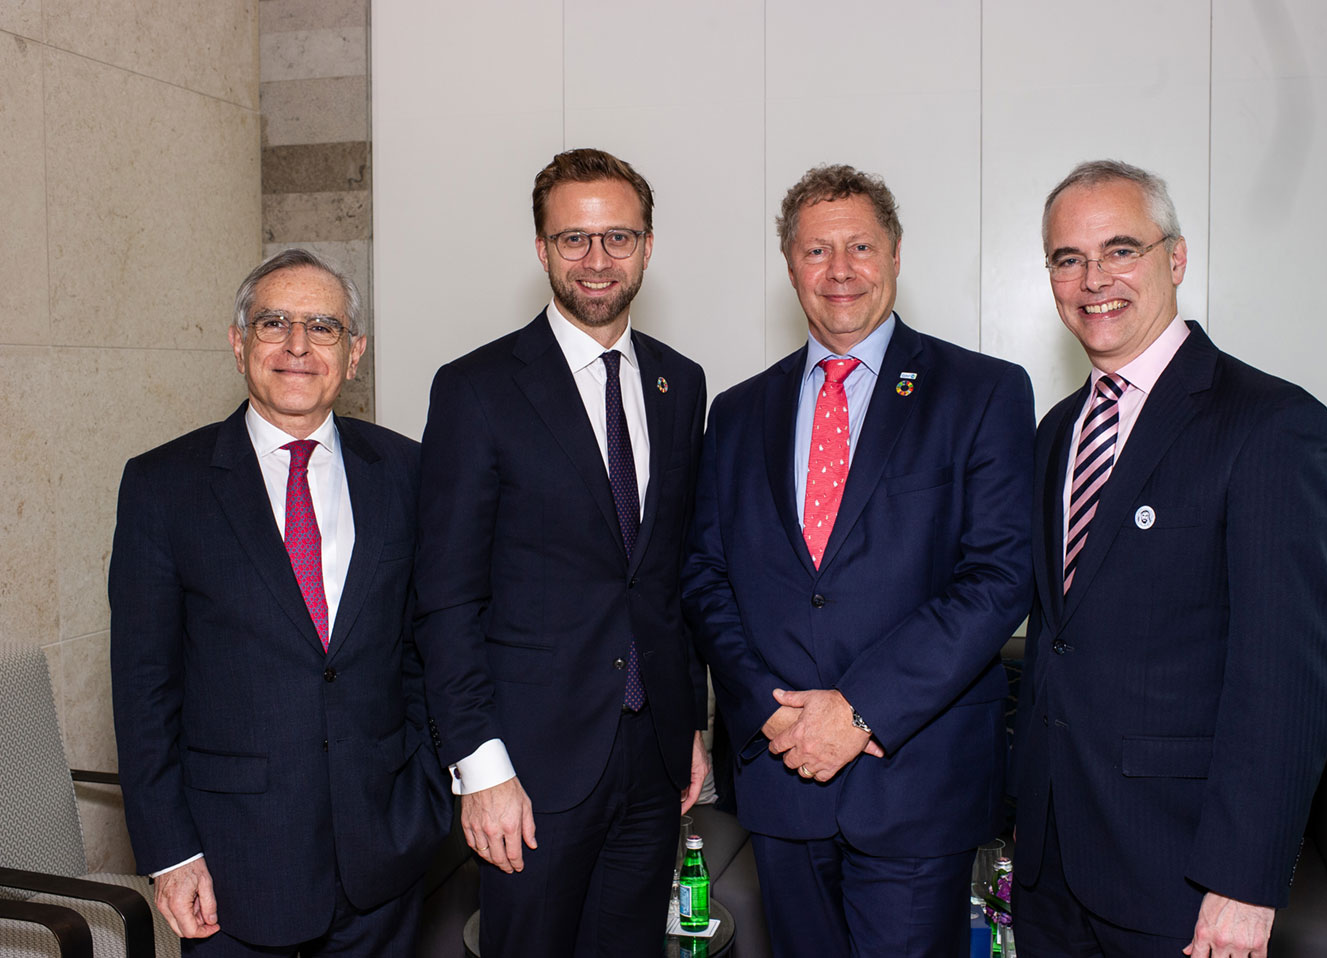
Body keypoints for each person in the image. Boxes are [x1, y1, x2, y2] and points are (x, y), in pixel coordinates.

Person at [681, 164, 1035, 957]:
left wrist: (861, 708)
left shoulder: (981, 392)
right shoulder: (738, 413)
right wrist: (766, 707)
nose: (839, 270)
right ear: (789, 266)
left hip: (914, 776)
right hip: (780, 774)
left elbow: (999, 575)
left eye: (860, 247)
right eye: (815, 251)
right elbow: (705, 576)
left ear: (897, 254)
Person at [1010, 159, 1327, 958]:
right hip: (1051, 866)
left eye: (1120, 249)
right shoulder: (1057, 429)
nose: (1094, 279)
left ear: (1176, 259)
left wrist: (1245, 881)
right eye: (1068, 258)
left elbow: (1289, 675)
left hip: (1184, 879)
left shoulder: (1270, 425)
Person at [109, 249, 451, 955]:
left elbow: (430, 644)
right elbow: (144, 691)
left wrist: (422, 798)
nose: (298, 346)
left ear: (352, 354)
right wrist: (171, 854)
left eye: (323, 327)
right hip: (232, 874)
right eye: (275, 323)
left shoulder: (409, 473)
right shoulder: (162, 486)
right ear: (239, 344)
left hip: (384, 861)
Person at [413, 148, 709, 957]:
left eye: (618, 237)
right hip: (530, 767)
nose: (597, 259)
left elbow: (668, 576)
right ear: (541, 250)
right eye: (573, 239)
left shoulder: (680, 386)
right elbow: (445, 598)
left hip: (651, 756)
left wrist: (689, 721)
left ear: (648, 247)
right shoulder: (476, 389)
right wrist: (479, 767)